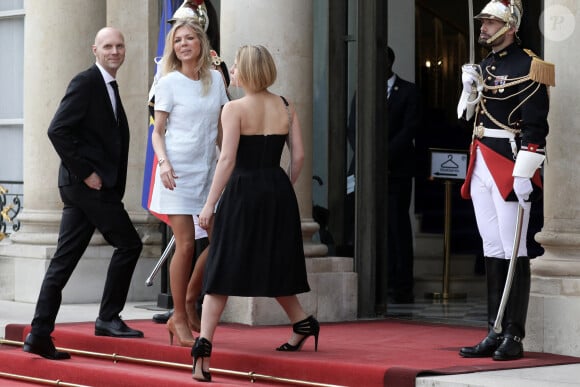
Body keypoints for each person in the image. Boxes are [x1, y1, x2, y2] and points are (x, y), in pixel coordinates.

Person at [194, 45, 318, 382]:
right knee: (274, 260)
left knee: (221, 265)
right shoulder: (286, 105)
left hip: (242, 192)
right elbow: (299, 158)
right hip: (277, 190)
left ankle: (204, 348)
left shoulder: (233, 109)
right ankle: (303, 324)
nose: (231, 70)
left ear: (246, 71)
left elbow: (227, 159)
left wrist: (209, 204)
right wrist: (279, 184)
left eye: (234, 65)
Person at [22, 27, 144, 361]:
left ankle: (39, 334)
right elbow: (57, 130)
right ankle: (107, 317)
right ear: (95, 49)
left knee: (64, 260)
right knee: (130, 243)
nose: (115, 51)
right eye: (108, 46)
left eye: (119, 45)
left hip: (87, 189)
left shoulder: (108, 86)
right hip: (88, 187)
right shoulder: (87, 82)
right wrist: (87, 172)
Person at [456, 0, 553, 361]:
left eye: (490, 22)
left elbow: (536, 126)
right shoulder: (485, 65)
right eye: (482, 22)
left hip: (510, 163)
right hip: (481, 160)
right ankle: (493, 330)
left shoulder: (531, 65)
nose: (483, 28)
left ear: (509, 26)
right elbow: (467, 115)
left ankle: (514, 333)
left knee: (517, 251)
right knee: (493, 249)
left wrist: (526, 172)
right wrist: (468, 88)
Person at [149, 18, 229, 347]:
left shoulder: (216, 81)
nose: (183, 44)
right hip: (176, 173)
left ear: (200, 43)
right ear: (173, 47)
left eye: (189, 39)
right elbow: (157, 132)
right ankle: (179, 317)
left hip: (209, 173)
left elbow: (223, 130)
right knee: (184, 244)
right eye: (178, 40)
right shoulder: (167, 83)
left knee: (221, 240)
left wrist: (230, 164)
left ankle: (191, 298)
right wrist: (164, 164)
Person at [384, 46, 421, 304]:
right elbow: (353, 126)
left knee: (398, 226)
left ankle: (402, 285)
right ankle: (379, 281)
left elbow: (410, 128)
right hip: (370, 173)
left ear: (389, 62)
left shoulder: (408, 91)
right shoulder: (365, 90)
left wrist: (384, 155)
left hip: (397, 169)